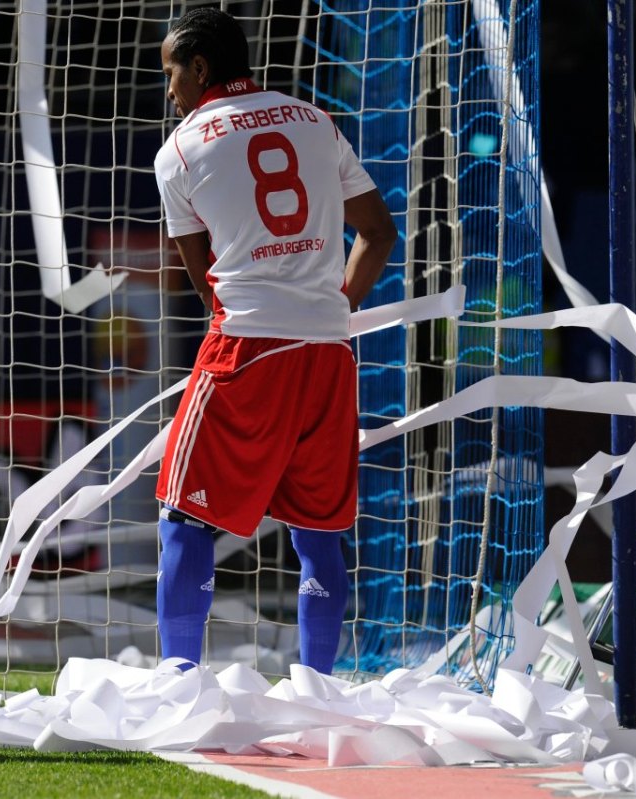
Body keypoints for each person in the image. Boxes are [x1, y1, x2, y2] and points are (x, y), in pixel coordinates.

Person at [151, 8, 397, 674]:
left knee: (183, 516)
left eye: (171, 70)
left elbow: (205, 282)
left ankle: (178, 680)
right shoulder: (315, 121)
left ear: (200, 68)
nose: (168, 87)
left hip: (248, 348)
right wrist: (331, 306)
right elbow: (378, 233)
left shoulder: (179, 148)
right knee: (319, 532)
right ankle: (317, 689)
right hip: (325, 351)